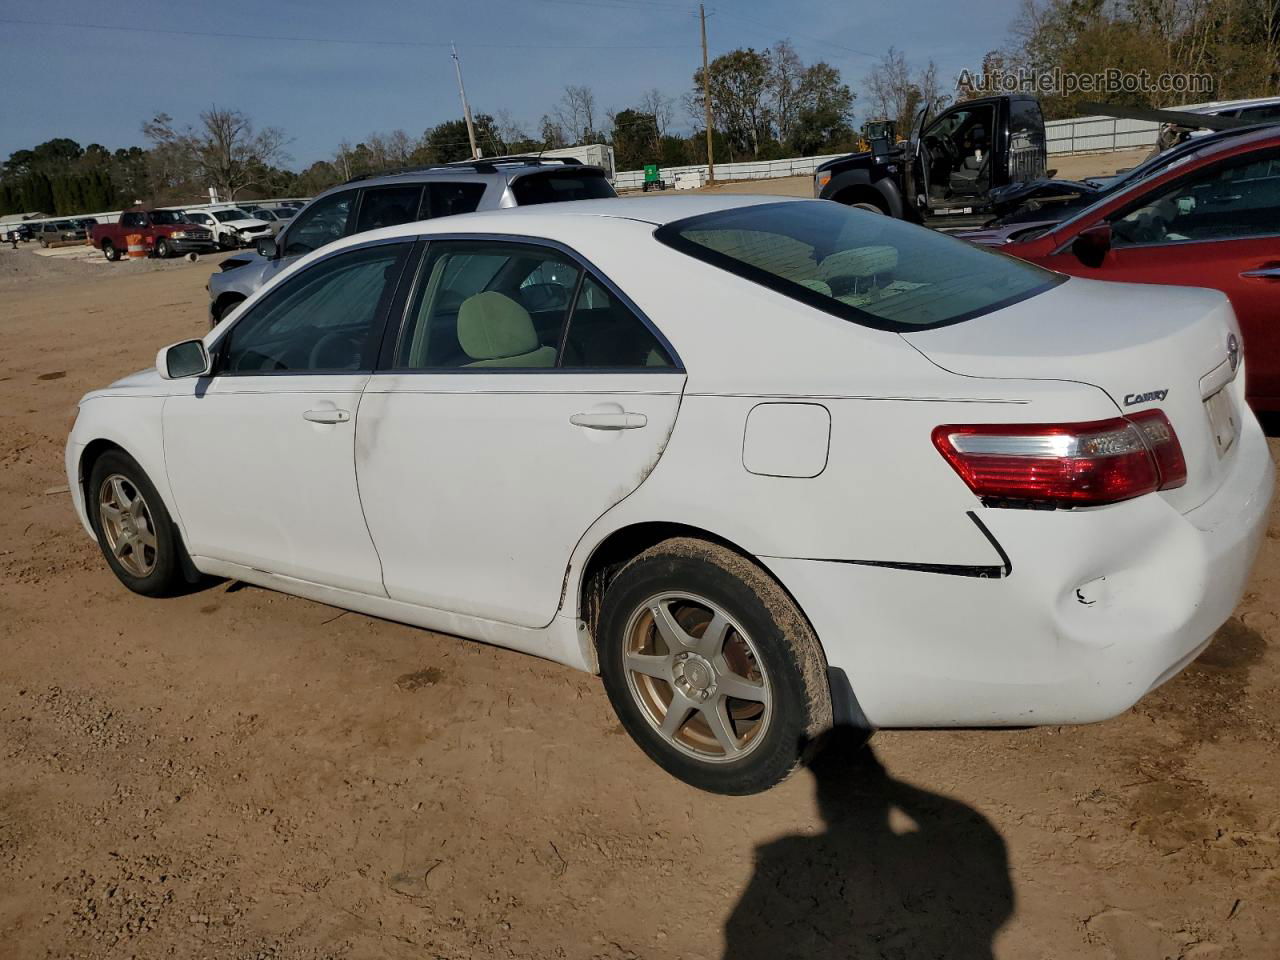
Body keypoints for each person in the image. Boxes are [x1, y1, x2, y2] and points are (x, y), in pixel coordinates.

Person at [723, 729, 1013, 959]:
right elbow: (980, 839)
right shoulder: (919, 857)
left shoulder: (788, 856)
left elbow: (739, 936)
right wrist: (889, 788)